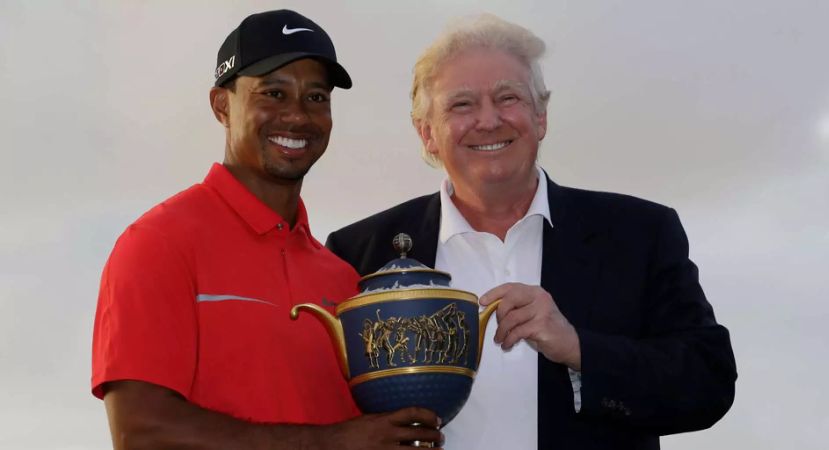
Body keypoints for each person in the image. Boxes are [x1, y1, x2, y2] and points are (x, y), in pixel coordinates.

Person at [326, 14, 737, 450]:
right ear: (427, 133)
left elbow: (708, 382)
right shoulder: (355, 253)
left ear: (540, 116)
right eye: (461, 105)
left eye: (508, 97)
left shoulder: (639, 233)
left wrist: (579, 348)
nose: (488, 120)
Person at [91, 10, 442, 449]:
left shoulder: (342, 278)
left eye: (316, 98)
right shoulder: (158, 243)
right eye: (273, 93)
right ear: (222, 105)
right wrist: (330, 443)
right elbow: (141, 431)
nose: (297, 116)